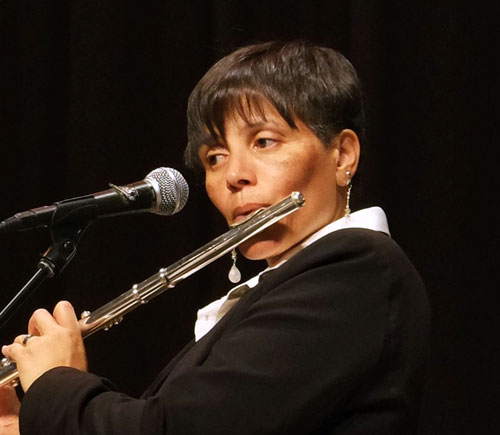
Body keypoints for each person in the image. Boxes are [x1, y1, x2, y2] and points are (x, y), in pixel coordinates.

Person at [0, 41, 430, 434]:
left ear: (342, 156)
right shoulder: (287, 289)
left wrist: (56, 383)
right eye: (215, 157)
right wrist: (22, 425)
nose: (234, 175)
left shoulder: (357, 270)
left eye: (264, 141)